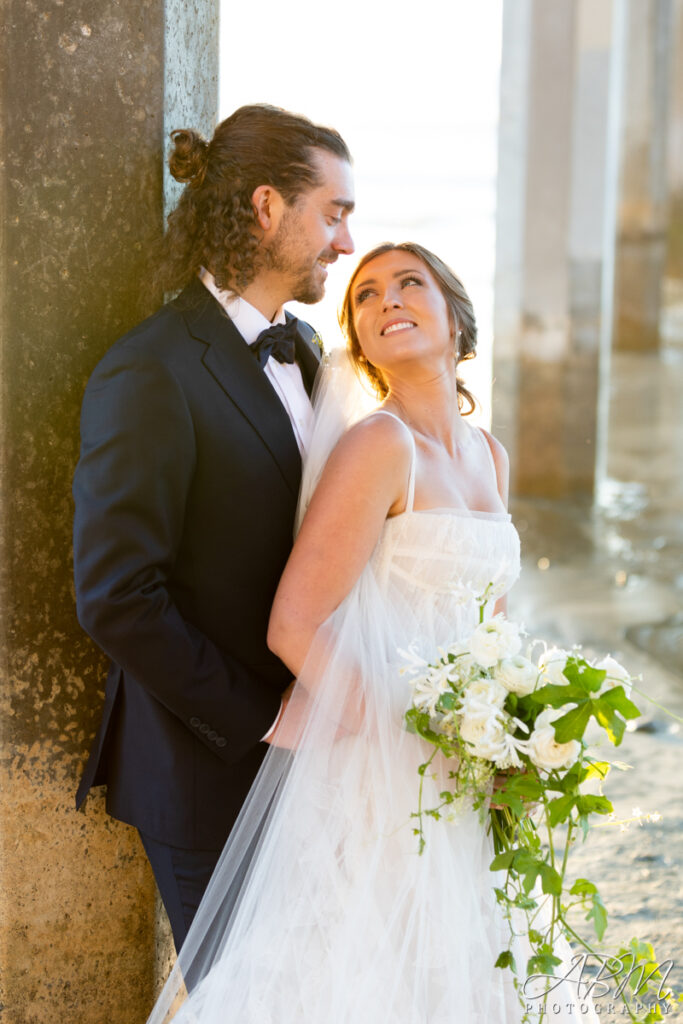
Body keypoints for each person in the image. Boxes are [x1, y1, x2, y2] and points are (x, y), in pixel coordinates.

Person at [145, 241, 600, 1023]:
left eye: (408, 284)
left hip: (461, 770)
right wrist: (394, 733)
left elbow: (486, 622)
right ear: (359, 344)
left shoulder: (488, 455)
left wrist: (510, 735)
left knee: (465, 968)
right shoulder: (379, 446)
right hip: (383, 766)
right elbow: (295, 624)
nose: (385, 299)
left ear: (455, 319)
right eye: (364, 295)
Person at [71, 103, 355, 952]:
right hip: (206, 771)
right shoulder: (149, 369)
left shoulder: (306, 349)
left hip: (317, 769)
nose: (345, 243)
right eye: (333, 214)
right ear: (268, 208)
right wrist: (268, 719)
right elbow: (117, 596)